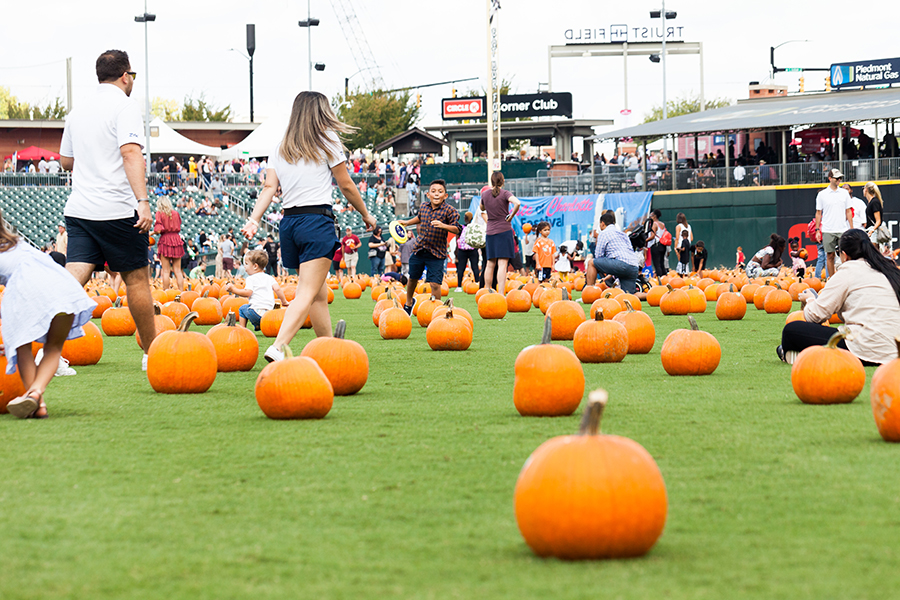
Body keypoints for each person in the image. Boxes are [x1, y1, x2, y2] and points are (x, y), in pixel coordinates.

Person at [241, 91, 375, 362]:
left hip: (289, 224)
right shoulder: (328, 140)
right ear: (320, 112)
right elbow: (346, 184)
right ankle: (278, 347)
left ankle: (328, 349)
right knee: (306, 292)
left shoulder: (280, 146)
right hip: (316, 221)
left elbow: (269, 187)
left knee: (317, 293)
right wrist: (366, 215)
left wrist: (254, 219)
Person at [58, 49, 157, 370]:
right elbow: (130, 153)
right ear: (125, 75)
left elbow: (65, 162)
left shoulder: (77, 111)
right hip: (116, 207)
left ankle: (50, 353)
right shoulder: (125, 105)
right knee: (137, 280)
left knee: (73, 280)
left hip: (81, 208)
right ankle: (152, 353)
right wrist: (143, 200)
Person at [0, 211, 96, 418]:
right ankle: (36, 395)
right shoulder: (20, 245)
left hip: (29, 292)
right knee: (53, 348)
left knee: (22, 347)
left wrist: (10, 337)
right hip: (64, 290)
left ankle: (39, 402)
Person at [779, 228, 900, 365]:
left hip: (864, 348)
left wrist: (810, 299)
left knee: (791, 331)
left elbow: (815, 316)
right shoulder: (889, 271)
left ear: (844, 255)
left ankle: (793, 353)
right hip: (896, 350)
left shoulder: (847, 271)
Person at [399, 180, 460, 313]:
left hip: (437, 253)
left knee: (435, 284)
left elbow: (457, 229)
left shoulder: (450, 211)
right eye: (433, 191)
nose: (436, 194)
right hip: (419, 249)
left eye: (440, 191)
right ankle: (409, 302)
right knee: (412, 279)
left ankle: (437, 310)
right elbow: (419, 218)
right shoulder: (424, 207)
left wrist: (443, 225)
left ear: (445, 196)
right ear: (428, 194)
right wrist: (407, 222)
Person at [223, 250, 289, 330]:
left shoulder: (251, 279)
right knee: (250, 309)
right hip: (269, 314)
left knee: (242, 309)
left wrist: (233, 289)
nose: (245, 267)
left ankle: (242, 330)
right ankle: (258, 325)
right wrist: (284, 301)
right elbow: (277, 289)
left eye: (246, 264)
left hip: (256, 313)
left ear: (255, 266)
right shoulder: (269, 278)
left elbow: (248, 293)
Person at [480, 171, 521, 293]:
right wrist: (511, 215)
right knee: (503, 265)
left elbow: (481, 208)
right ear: (503, 182)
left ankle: (486, 292)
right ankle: (501, 294)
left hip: (490, 232)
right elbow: (517, 203)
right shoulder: (505, 193)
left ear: (491, 182)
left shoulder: (485, 194)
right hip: (504, 231)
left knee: (490, 263)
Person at [585, 211, 642, 293]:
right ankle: (650, 296)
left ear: (602, 223)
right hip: (633, 266)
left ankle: (588, 293)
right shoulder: (623, 234)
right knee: (630, 295)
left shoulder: (603, 233)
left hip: (620, 263)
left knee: (591, 263)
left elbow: (598, 256)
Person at [814, 168, 853, 278]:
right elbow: (818, 213)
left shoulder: (844, 193)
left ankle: (846, 278)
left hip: (842, 229)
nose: (839, 180)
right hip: (828, 229)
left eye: (840, 178)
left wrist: (851, 227)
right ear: (830, 178)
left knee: (845, 255)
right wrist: (817, 230)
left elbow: (848, 211)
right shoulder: (822, 194)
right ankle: (831, 279)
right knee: (829, 255)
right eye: (836, 178)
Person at [152, 196, 185, 291]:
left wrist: (152, 232)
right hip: (176, 240)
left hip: (165, 241)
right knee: (178, 271)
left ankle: (166, 292)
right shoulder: (176, 213)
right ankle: (182, 292)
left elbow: (158, 230)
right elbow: (179, 225)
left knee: (166, 271)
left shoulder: (159, 213)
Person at [455, 212, 479, 289]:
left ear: (464, 218)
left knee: (460, 268)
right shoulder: (474, 228)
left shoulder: (461, 228)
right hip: (473, 250)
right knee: (475, 267)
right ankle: (477, 283)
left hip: (462, 250)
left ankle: (459, 286)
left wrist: (456, 252)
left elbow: (457, 239)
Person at [648, 210, 668, 278]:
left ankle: (660, 280)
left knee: (657, 264)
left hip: (656, 245)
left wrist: (645, 241)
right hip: (663, 245)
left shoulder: (654, 224)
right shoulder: (662, 224)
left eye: (651, 215)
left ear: (654, 216)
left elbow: (652, 236)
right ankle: (665, 278)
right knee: (662, 263)